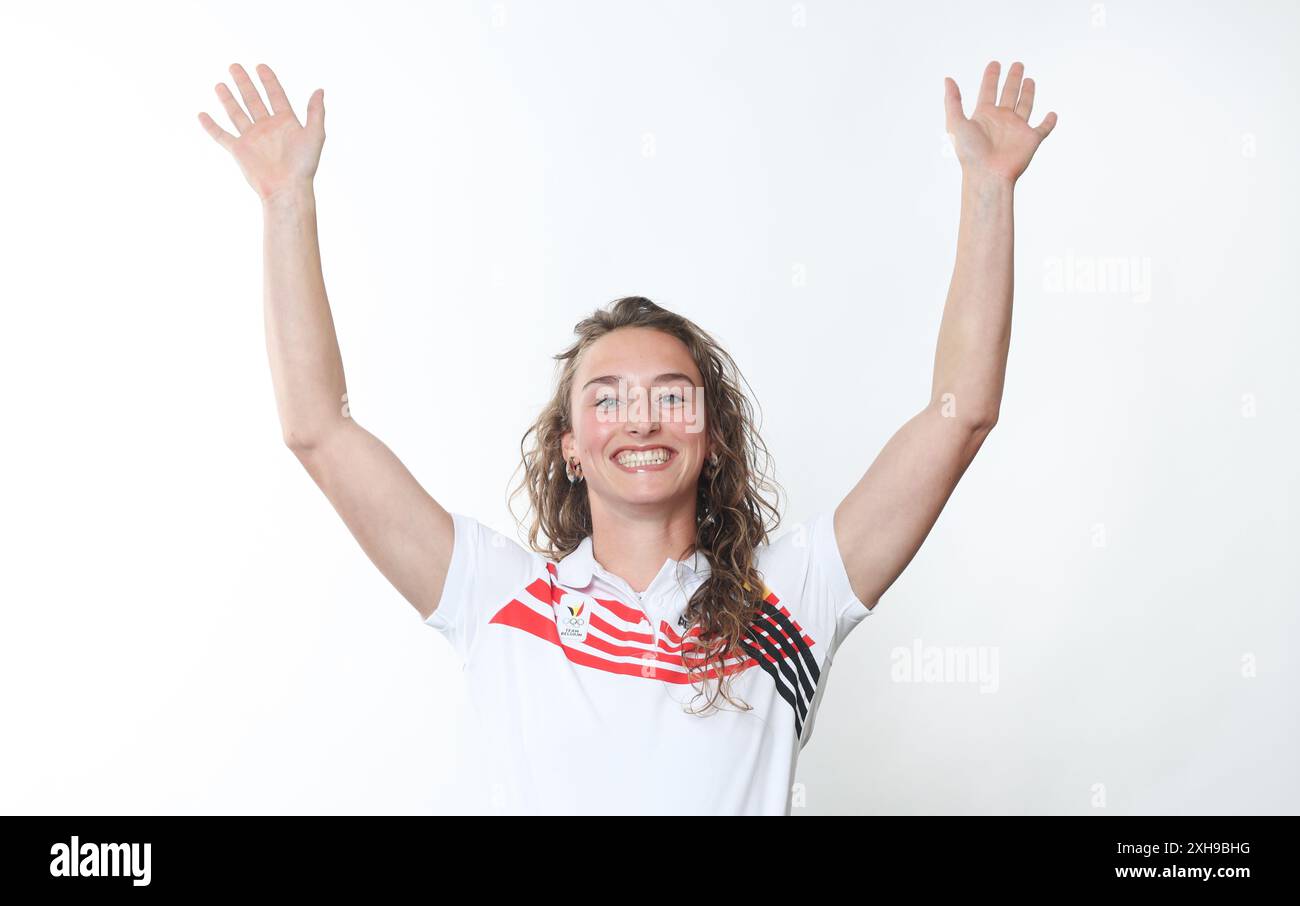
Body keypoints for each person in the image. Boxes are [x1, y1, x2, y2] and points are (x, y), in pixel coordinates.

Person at [198, 60, 1057, 815]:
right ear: (570, 444)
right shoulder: (499, 598)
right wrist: (285, 204)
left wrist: (988, 193)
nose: (641, 420)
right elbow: (317, 429)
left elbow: (962, 412)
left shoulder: (790, 598)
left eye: (671, 397)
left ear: (712, 438)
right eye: (606, 399)